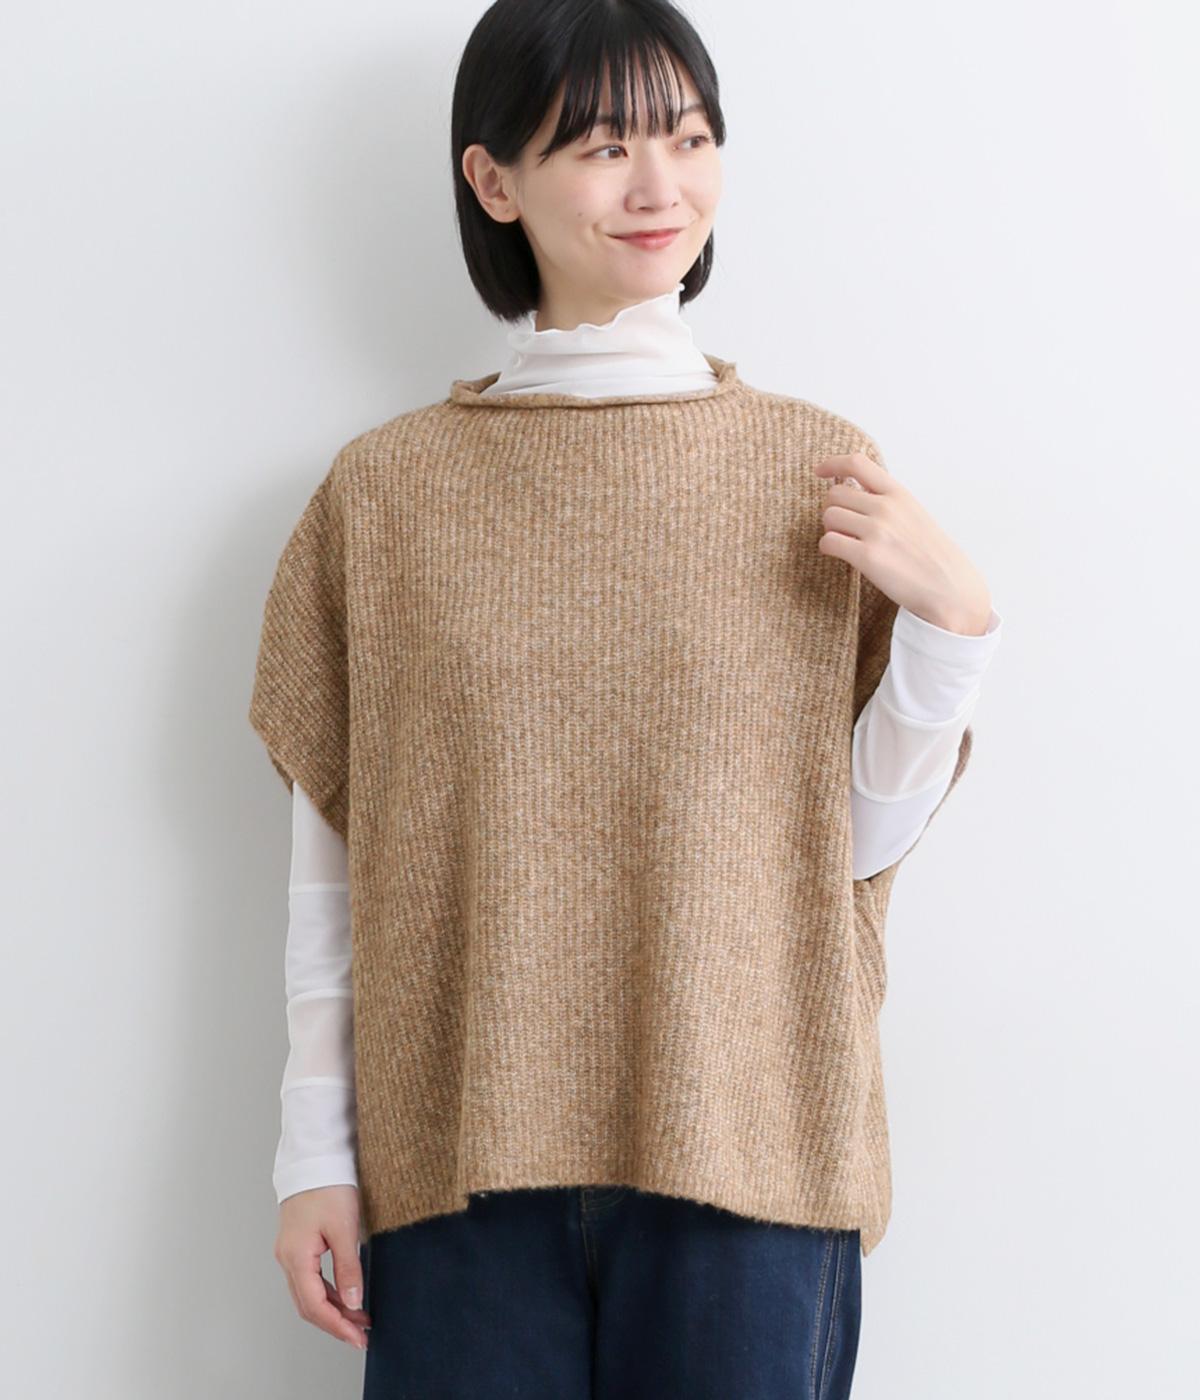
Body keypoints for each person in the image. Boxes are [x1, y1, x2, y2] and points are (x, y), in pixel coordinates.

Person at [249, 2, 1002, 1395]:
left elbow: (832, 856)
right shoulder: (385, 495)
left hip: (749, 1159)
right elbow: (334, 864)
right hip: (456, 1165)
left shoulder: (813, 470)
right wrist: (312, 1155)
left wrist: (952, 636)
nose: (662, 186)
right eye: (604, 147)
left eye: (691, 138)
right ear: (493, 180)